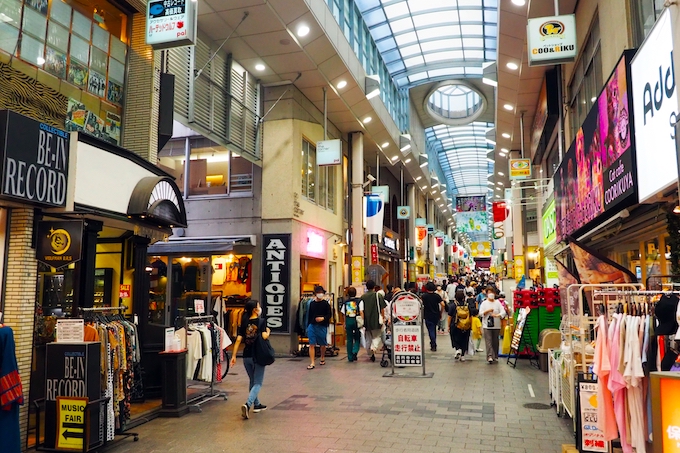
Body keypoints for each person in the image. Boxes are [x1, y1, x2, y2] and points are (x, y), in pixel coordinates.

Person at [230, 299, 270, 419]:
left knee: (252, 381)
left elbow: (238, 340)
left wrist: (233, 356)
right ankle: (248, 404)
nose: (260, 307)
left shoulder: (244, 322)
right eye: (258, 306)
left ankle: (257, 404)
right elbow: (264, 336)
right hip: (257, 355)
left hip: (246, 355)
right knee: (258, 382)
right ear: (255, 309)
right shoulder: (261, 321)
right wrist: (268, 331)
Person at [306, 285, 332, 370]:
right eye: (318, 293)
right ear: (315, 294)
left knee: (322, 344)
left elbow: (329, 315)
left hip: (322, 326)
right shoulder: (311, 303)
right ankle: (312, 362)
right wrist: (308, 325)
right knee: (311, 344)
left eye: (321, 293)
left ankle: (322, 357)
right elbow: (309, 315)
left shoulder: (325, 304)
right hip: (312, 325)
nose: (320, 294)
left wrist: (323, 318)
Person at [360, 280, 386, 362]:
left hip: (366, 321)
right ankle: (373, 347)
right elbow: (382, 308)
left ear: (366, 287)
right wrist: (383, 318)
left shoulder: (363, 297)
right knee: (377, 336)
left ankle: (370, 355)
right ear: (374, 287)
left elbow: (361, 310)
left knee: (368, 338)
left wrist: (362, 320)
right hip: (376, 320)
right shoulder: (378, 296)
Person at [479, 286, 506, 363]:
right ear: (486, 294)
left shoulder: (497, 302)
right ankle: (489, 356)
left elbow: (503, 311)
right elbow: (480, 313)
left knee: (495, 341)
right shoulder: (484, 303)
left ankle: (495, 355)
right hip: (486, 325)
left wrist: (498, 315)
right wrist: (487, 311)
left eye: (492, 292)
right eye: (489, 292)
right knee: (488, 341)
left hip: (496, 325)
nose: (491, 294)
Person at [448, 289, 476, 361]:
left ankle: (458, 349)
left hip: (455, 325)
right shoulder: (467, 305)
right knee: (465, 340)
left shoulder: (453, 305)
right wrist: (471, 325)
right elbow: (471, 316)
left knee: (454, 338)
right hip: (466, 325)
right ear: (464, 297)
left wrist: (448, 326)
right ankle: (463, 355)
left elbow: (449, 317)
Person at [341, 287, 363, 362]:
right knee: (357, 337)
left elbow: (343, 314)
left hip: (348, 320)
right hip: (356, 320)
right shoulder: (359, 301)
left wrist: (344, 323)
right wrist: (362, 321)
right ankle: (355, 351)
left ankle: (350, 357)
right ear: (355, 293)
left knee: (349, 339)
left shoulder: (345, 302)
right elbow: (361, 312)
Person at [421, 281, 445, 351]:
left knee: (430, 329)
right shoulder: (437, 296)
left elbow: (420, 304)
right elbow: (443, 304)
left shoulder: (424, 296)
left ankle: (433, 343)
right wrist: (441, 312)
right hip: (436, 315)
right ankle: (433, 342)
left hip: (427, 315)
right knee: (433, 328)